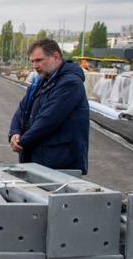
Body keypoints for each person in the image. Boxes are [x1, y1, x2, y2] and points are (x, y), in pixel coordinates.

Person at [9, 38, 89, 174]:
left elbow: (48, 120)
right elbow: (22, 110)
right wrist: (14, 132)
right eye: (33, 61)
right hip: (38, 159)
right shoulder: (40, 81)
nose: (35, 66)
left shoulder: (70, 84)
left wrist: (22, 142)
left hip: (59, 163)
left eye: (39, 60)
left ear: (56, 57)